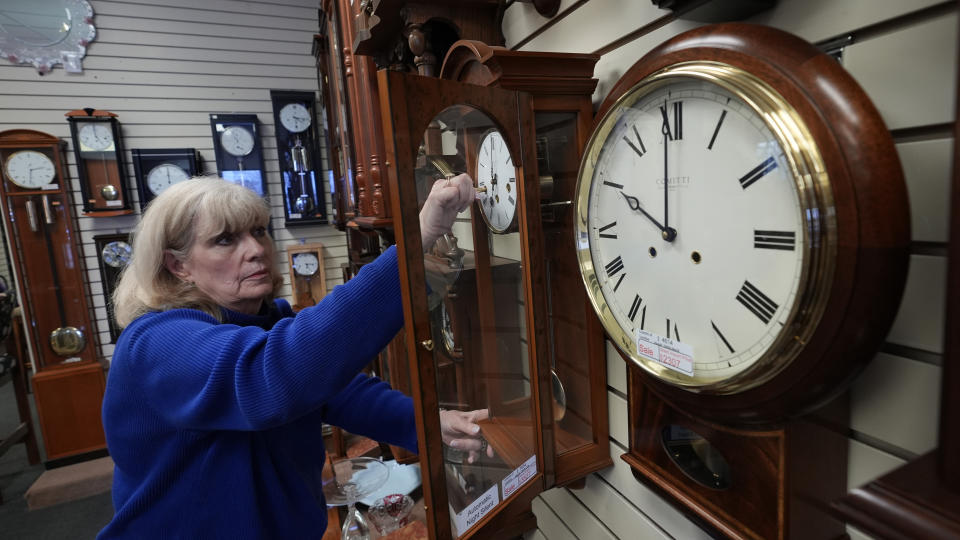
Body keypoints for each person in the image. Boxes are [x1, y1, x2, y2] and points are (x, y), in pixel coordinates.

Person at [98, 175, 491, 539]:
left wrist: (428, 425)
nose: (255, 250)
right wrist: (414, 241)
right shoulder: (157, 342)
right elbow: (276, 375)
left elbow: (340, 394)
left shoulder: (263, 321)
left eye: (258, 231)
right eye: (224, 240)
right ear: (178, 265)